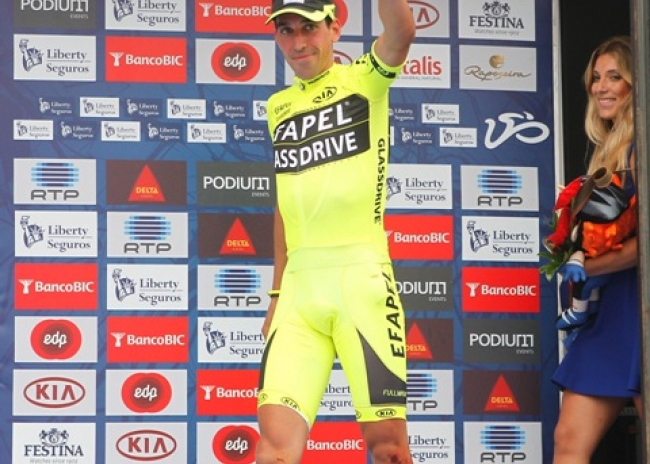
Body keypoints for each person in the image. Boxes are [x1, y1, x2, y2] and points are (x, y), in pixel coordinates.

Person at [256, 1, 415, 463]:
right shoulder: (278, 106)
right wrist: (277, 293)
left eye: (308, 28)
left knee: (387, 448)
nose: (298, 42)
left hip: (360, 280)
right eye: (286, 30)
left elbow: (402, 28)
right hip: (298, 292)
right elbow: (286, 202)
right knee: (275, 448)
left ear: (334, 28)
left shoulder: (364, 79)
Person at [551, 36, 641, 464]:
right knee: (568, 440)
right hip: (610, 307)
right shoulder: (609, 150)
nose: (601, 87)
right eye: (596, 77)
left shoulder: (641, 147)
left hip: (639, 304)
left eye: (615, 77)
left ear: (635, 85)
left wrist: (586, 264)